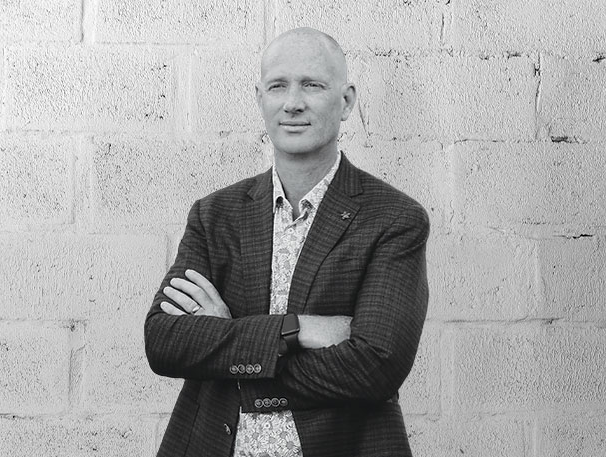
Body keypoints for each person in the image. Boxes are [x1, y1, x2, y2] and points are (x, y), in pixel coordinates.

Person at [143, 27, 430, 457]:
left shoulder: (393, 219)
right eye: (278, 86)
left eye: (312, 85)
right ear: (260, 98)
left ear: (346, 100)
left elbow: (375, 368)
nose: (293, 102)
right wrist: (300, 329)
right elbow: (165, 342)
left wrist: (228, 345)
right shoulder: (215, 215)